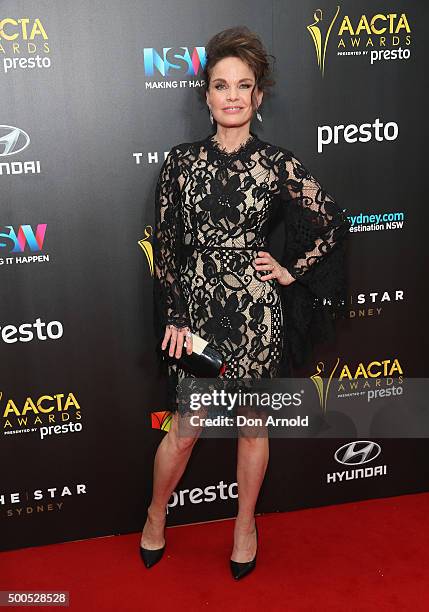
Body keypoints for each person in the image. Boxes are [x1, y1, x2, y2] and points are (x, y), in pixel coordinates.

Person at [141, 26, 351, 580]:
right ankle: (155, 514)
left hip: (257, 314)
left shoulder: (278, 164)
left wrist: (288, 269)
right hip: (198, 317)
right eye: (220, 85)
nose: (232, 95)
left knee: (254, 425)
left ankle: (244, 526)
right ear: (206, 96)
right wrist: (176, 317)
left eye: (244, 85)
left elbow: (331, 223)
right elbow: (166, 246)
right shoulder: (181, 163)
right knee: (186, 428)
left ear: (258, 97)